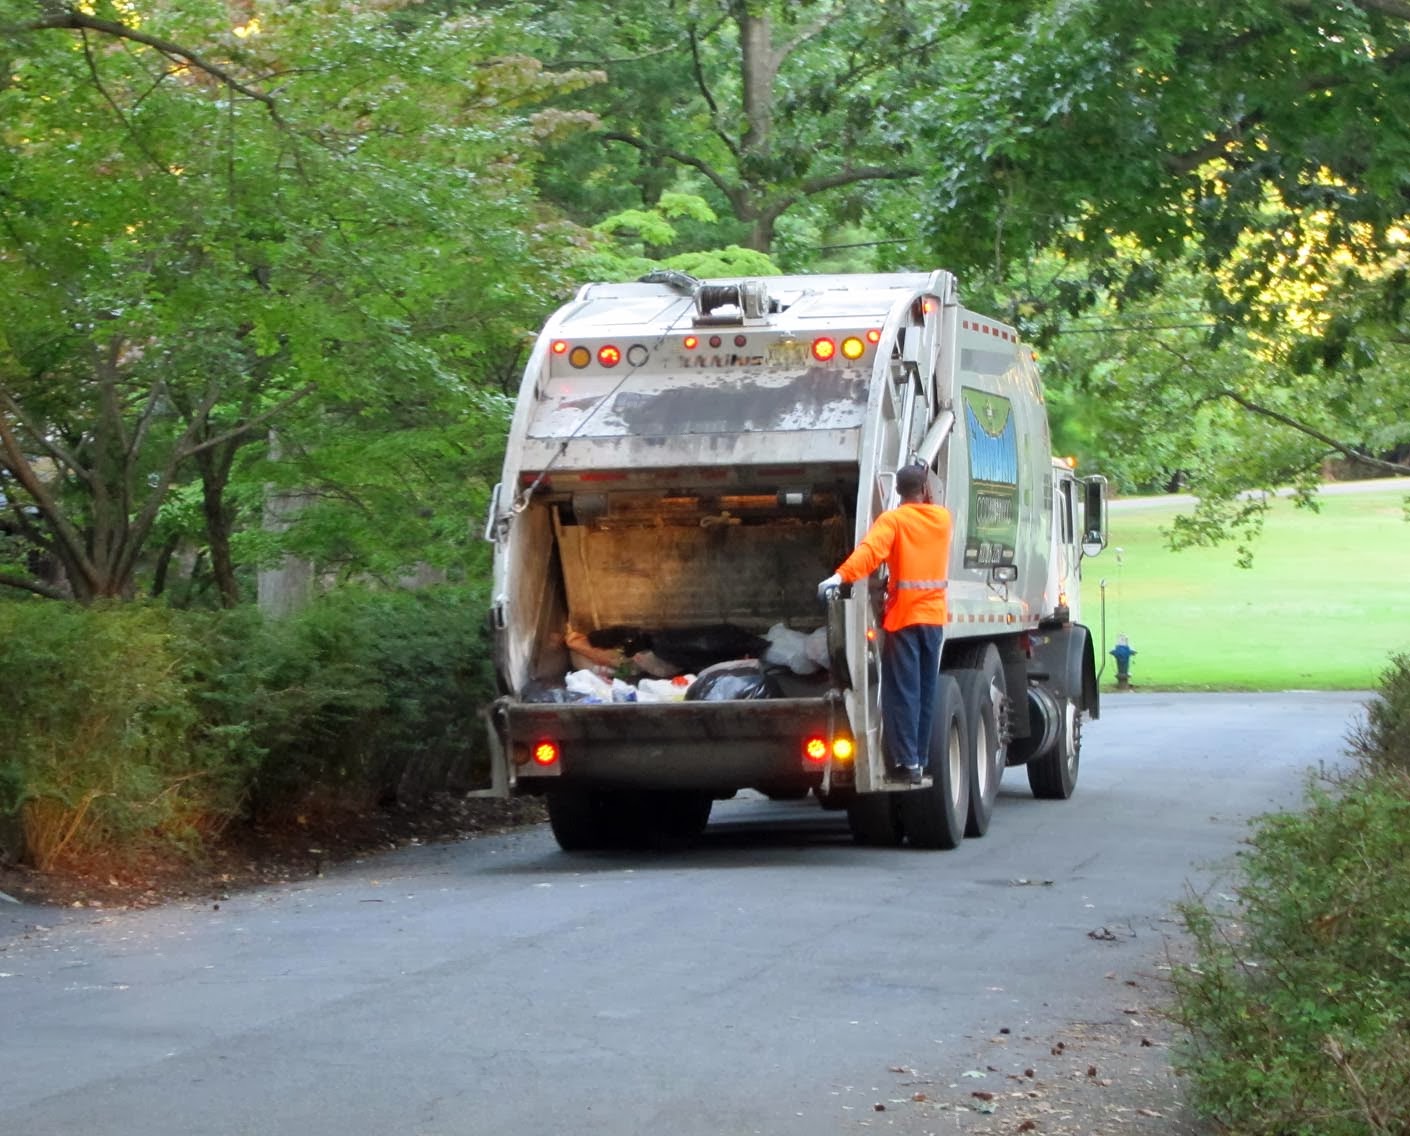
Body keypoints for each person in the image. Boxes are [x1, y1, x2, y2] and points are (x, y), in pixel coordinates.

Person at [818, 464, 952, 784]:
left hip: (904, 618)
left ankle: (907, 761)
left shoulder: (892, 520)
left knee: (904, 691)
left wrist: (839, 576)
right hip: (933, 619)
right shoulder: (943, 520)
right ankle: (918, 758)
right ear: (925, 490)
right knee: (925, 690)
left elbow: (870, 553)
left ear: (897, 491)